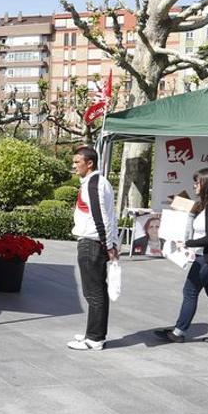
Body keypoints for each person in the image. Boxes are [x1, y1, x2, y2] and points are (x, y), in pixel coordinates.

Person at [154, 167, 208, 345]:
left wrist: (187, 244)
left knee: (190, 292)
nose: (194, 185)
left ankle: (178, 332)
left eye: (198, 182)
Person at [67, 145, 118, 351]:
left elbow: (101, 217)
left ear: (90, 163)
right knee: (96, 291)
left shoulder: (94, 184)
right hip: (94, 241)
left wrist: (108, 245)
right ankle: (93, 333)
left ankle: (95, 338)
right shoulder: (95, 182)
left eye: (77, 162)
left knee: (94, 292)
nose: (74, 166)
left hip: (92, 242)